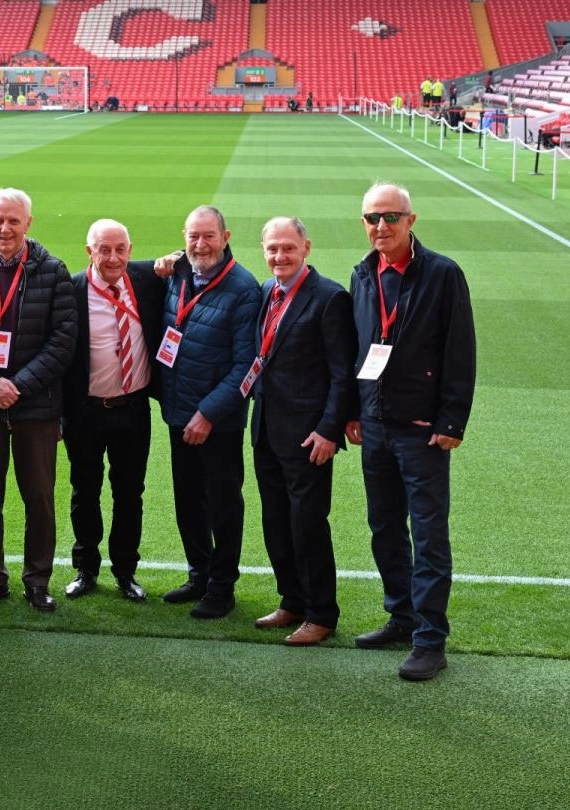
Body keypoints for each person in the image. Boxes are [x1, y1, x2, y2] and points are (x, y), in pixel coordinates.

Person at [346, 183, 475, 681]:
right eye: (373, 217)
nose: (382, 226)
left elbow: (459, 350)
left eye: (391, 217)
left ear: (411, 220)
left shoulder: (442, 273)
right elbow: (359, 349)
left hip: (422, 429)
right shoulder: (363, 274)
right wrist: (354, 413)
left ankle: (430, 638)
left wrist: (451, 420)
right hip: (374, 423)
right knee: (384, 526)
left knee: (428, 533)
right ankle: (400, 616)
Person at [0, 188, 77, 613]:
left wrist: (17, 385)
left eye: (13, 221)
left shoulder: (53, 270)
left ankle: (37, 580)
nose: (5, 229)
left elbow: (63, 341)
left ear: (29, 223)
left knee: (39, 497)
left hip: (35, 405)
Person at [247, 217, 356, 647]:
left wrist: (329, 430)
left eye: (288, 247)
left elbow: (341, 373)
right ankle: (291, 599)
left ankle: (321, 613)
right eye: (273, 248)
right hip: (267, 428)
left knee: (307, 523)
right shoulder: (265, 292)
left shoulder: (329, 298)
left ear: (306, 247)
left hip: (309, 436)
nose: (280, 256)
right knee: (276, 520)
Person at [157, 205, 261, 618]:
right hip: (179, 412)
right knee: (188, 499)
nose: (201, 244)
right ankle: (198, 572)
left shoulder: (243, 288)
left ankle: (222, 586)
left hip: (217, 421)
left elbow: (246, 365)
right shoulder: (179, 273)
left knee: (222, 502)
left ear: (225, 236)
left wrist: (209, 414)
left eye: (209, 236)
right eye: (193, 237)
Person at [61, 219, 164, 603]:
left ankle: (126, 570)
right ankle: (86, 568)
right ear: (90, 251)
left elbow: (199, 258)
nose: (113, 257)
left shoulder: (147, 279)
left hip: (133, 408)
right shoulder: (71, 290)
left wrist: (172, 259)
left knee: (129, 493)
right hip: (85, 411)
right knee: (84, 491)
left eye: (120, 248)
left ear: (131, 249)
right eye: (104, 249)